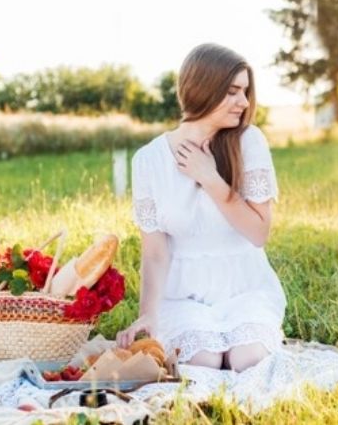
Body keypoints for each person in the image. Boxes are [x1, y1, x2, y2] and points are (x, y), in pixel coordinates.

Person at [116, 43, 286, 372]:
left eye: (246, 91)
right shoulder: (149, 160)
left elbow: (258, 232)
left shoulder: (249, 141)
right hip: (183, 295)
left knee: (247, 359)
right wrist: (148, 314)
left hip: (245, 288)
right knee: (203, 361)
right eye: (233, 91)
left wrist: (210, 178)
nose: (244, 102)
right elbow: (155, 252)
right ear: (203, 89)